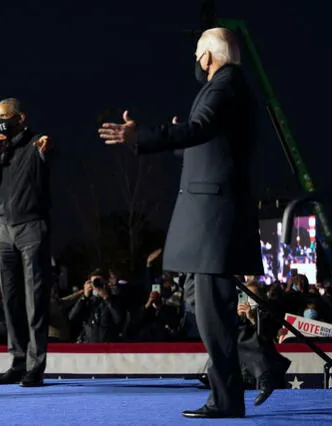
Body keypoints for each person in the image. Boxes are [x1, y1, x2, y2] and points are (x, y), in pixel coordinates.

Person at [98, 28, 263, 418]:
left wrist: (142, 136)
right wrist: (178, 139)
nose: (195, 62)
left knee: (211, 313)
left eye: (196, 54)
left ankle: (227, 398)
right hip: (211, 216)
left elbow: (201, 128)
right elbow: (213, 145)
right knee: (202, 305)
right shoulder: (232, 88)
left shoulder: (222, 87)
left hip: (212, 218)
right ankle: (260, 364)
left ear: (208, 56)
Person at [0, 97, 53, 387]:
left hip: (32, 227)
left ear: (20, 117)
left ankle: (36, 367)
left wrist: (46, 151)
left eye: (4, 116)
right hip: (3, 230)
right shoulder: (1, 148)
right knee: (11, 300)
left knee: (35, 300)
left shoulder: (37, 143)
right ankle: (18, 362)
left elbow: (50, 160)